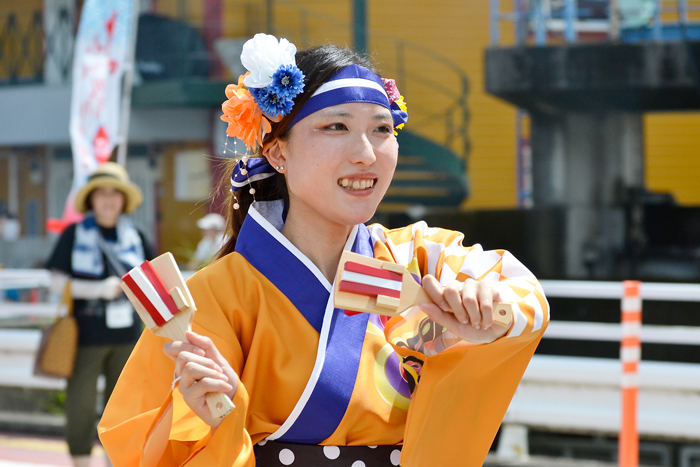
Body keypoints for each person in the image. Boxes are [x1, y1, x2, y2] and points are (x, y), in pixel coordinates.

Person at [98, 34, 549, 467]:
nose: (366, 154)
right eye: (336, 126)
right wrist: (203, 411)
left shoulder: (421, 258)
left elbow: (524, 294)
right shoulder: (217, 295)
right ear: (278, 154)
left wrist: (493, 313)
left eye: (382, 129)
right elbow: (141, 450)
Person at [46, 162, 155, 467]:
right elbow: (55, 282)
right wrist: (99, 290)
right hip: (85, 336)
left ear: (123, 199)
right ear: (91, 199)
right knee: (79, 404)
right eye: (102, 193)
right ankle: (80, 462)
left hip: (129, 337)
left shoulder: (137, 235)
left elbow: (154, 280)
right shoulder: (73, 234)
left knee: (123, 407)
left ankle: (115, 461)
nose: (109, 199)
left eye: (115, 193)